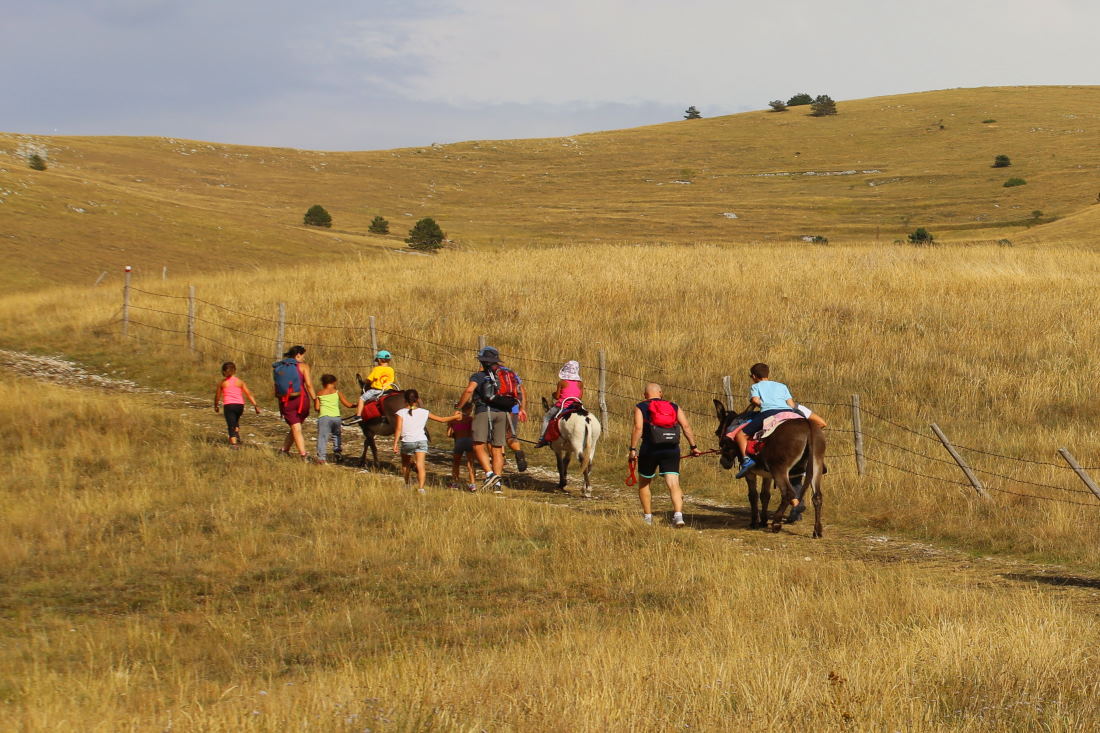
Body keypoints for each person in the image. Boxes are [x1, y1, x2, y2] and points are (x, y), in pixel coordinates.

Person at [629, 383, 701, 526]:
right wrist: (694, 447)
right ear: (661, 393)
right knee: (673, 483)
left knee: (644, 483)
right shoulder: (674, 406)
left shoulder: (641, 407)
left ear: (645, 395)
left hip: (650, 449)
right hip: (671, 448)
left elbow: (638, 428)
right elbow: (686, 426)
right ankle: (678, 516)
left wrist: (632, 449)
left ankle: (648, 518)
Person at [455, 346, 525, 493]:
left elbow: (469, 390)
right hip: (503, 413)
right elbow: (520, 391)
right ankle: (497, 485)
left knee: (478, 445)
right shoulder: (505, 374)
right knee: (498, 448)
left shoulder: (479, 376)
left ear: (483, 361)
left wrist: (459, 405)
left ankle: (490, 474)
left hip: (484, 412)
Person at [733, 362, 797, 478]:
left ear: (753, 376)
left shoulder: (755, 386)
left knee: (740, 435)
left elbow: (756, 400)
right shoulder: (782, 386)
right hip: (788, 413)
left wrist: (764, 404)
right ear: (768, 374)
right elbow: (792, 405)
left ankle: (746, 460)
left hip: (769, 412)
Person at [391, 389, 461, 492]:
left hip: (407, 441)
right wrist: (456, 416)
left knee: (405, 463)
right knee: (420, 465)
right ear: (417, 399)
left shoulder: (400, 413)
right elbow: (441, 419)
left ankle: (407, 483)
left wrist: (395, 443)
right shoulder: (424, 412)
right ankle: (421, 488)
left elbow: (398, 429)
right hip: (421, 440)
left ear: (405, 400)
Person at [274, 345, 316, 459]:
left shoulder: (280, 367)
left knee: (295, 427)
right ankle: (296, 453)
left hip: (287, 401)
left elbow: (277, 387)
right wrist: (315, 399)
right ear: (298, 355)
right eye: (303, 356)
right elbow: (309, 385)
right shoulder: (304, 367)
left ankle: (300, 454)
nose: (303, 358)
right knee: (296, 427)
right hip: (302, 400)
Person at [535, 359, 584, 447]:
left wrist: (553, 394)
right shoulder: (580, 383)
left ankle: (542, 439)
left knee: (547, 417)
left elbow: (557, 397)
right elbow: (579, 397)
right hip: (575, 406)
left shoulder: (562, 382)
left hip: (562, 406)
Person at [213, 361, 259, 447]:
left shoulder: (222, 383)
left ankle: (234, 444)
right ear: (235, 371)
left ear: (223, 371)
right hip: (240, 406)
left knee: (231, 424)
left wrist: (216, 405)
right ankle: (237, 436)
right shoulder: (240, 382)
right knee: (235, 420)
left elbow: (217, 396)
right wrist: (255, 405)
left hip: (229, 405)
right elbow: (249, 393)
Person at [314, 374, 356, 464]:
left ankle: (321, 458)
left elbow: (317, 408)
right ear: (334, 382)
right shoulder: (337, 392)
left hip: (324, 417)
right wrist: (357, 405)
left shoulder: (319, 393)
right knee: (336, 435)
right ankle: (337, 452)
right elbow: (348, 405)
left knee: (323, 437)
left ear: (323, 383)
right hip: (336, 418)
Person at [448, 403, 477, 491]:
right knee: (470, 463)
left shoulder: (454, 420)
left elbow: (449, 434)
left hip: (459, 442)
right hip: (469, 441)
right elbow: (474, 431)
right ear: (469, 410)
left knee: (456, 463)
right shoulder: (471, 419)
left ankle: (455, 483)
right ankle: (472, 484)